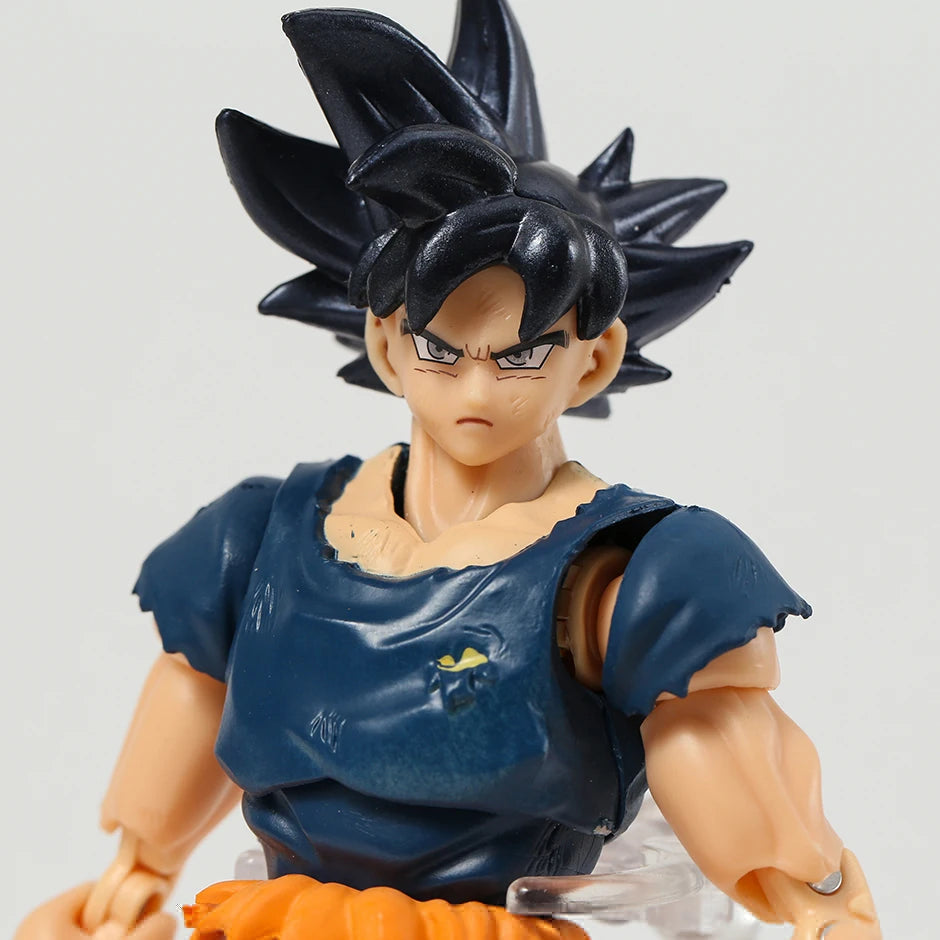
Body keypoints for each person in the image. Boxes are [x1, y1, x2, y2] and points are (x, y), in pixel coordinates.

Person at [14, 1, 880, 938]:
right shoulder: (258, 542)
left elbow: (724, 751)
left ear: (593, 360)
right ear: (387, 345)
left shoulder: (631, 576)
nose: (477, 387)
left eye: (521, 356)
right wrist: (137, 868)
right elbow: (190, 697)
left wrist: (819, 902)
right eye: (440, 349)